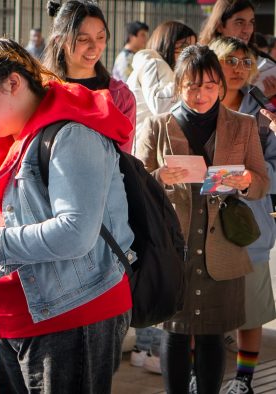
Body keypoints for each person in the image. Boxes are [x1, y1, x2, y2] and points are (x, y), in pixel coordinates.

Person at [0, 37, 133, 393]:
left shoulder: (71, 134)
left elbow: (75, 232)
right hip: (20, 318)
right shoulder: (12, 137)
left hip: (70, 313)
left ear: (13, 83)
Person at [135, 44, 267, 394]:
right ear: (179, 85)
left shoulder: (243, 126)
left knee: (213, 334)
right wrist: (159, 177)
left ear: (221, 86)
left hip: (222, 246)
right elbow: (134, 184)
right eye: (192, 85)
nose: (201, 94)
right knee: (175, 333)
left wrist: (246, 182)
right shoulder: (157, 126)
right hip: (172, 246)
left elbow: (261, 180)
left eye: (210, 85)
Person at [209, 36, 276, 394]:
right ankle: (200, 375)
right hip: (203, 226)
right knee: (203, 309)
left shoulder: (265, 113)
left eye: (245, 62)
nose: (238, 68)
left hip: (249, 225)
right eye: (230, 60)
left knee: (250, 311)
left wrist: (253, 174)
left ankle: (244, 381)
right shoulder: (200, 103)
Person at [42, 0, 136, 152]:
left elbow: (123, 163)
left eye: (100, 37)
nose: (94, 47)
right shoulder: (41, 93)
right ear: (60, 40)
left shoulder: (120, 97)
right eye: (83, 39)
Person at [127, 21, 196, 149]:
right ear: (167, 43)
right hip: (147, 147)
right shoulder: (155, 64)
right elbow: (161, 105)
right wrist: (190, 84)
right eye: (183, 47)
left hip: (144, 144)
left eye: (192, 48)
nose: (189, 55)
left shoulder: (156, 65)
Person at [199, 0, 276, 100]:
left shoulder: (265, 62)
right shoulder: (199, 60)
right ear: (220, 26)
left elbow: (268, 111)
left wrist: (264, 99)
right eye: (239, 23)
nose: (247, 30)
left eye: (251, 22)